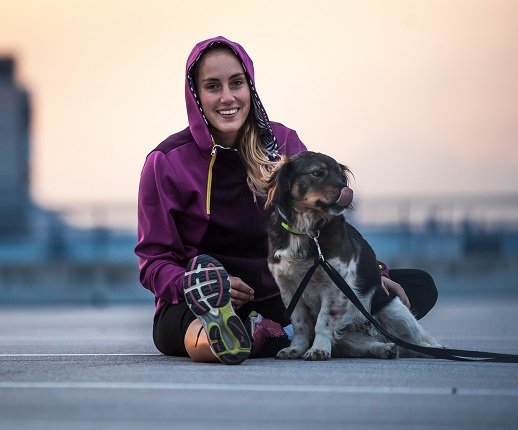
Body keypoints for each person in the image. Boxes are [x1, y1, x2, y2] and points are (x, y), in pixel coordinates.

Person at [135, 36, 438, 364]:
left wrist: (374, 272)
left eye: (236, 83)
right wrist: (197, 285)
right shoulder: (166, 162)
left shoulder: (283, 142)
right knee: (192, 332)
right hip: (205, 304)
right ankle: (255, 334)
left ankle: (278, 332)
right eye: (212, 86)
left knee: (416, 286)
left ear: (249, 85)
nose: (227, 97)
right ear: (195, 94)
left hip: (284, 295)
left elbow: (328, 225)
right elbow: (154, 260)